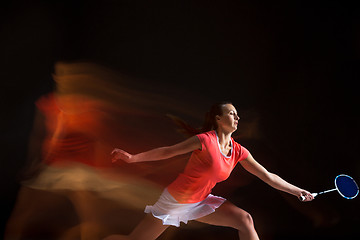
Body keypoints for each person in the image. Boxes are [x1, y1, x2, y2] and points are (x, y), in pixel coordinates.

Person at [105, 102, 314, 240]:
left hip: (200, 201)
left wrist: (297, 191)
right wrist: (133, 158)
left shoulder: (238, 152)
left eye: (238, 114)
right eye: (232, 114)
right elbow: (168, 152)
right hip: (175, 201)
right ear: (218, 119)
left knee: (245, 220)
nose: (237, 118)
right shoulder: (204, 140)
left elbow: (268, 176)